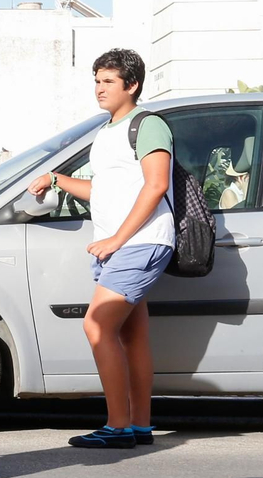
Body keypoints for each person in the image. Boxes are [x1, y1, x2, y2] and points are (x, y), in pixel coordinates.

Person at [27, 49, 173, 450]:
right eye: (97, 80)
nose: (99, 89)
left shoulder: (148, 125)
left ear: (133, 84)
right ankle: (140, 425)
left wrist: (116, 240)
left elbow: (156, 184)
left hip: (140, 242)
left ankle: (118, 426)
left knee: (96, 325)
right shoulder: (108, 132)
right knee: (132, 335)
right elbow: (103, 191)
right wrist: (57, 179)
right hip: (120, 245)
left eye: (108, 81)